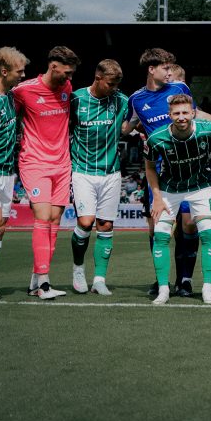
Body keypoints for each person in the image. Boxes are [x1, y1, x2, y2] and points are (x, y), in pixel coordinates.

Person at [144, 94, 211, 304]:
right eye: (176, 113)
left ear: (193, 113)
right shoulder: (156, 138)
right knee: (160, 237)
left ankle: (207, 289)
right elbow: (149, 168)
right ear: (169, 115)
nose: (181, 117)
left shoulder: (207, 128)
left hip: (200, 188)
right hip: (169, 190)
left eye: (185, 112)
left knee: (207, 235)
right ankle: (163, 290)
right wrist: (157, 197)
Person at [128, 48, 203, 296]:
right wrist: (138, 132)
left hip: (188, 166)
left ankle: (185, 279)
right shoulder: (136, 99)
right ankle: (161, 279)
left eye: (171, 68)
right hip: (158, 171)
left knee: (188, 225)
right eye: (165, 68)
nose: (170, 73)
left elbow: (195, 117)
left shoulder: (180, 89)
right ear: (152, 69)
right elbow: (127, 127)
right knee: (157, 227)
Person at [15, 46, 77, 300]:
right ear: (53, 66)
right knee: (42, 217)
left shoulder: (67, 89)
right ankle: (44, 284)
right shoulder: (23, 91)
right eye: (67, 72)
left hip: (62, 165)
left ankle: (35, 280)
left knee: (53, 221)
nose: (70, 78)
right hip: (34, 162)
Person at [69, 59, 130, 296]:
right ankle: (77, 269)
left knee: (105, 225)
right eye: (110, 84)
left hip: (111, 172)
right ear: (98, 78)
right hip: (82, 171)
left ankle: (99, 279)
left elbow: (133, 123)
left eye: (117, 84)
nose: (114, 88)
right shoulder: (76, 99)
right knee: (85, 222)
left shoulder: (122, 101)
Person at [0, 47, 27, 303]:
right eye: (19, 71)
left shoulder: (11, 98)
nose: (22, 75)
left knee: (1, 229)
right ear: (4, 72)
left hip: (8, 173)